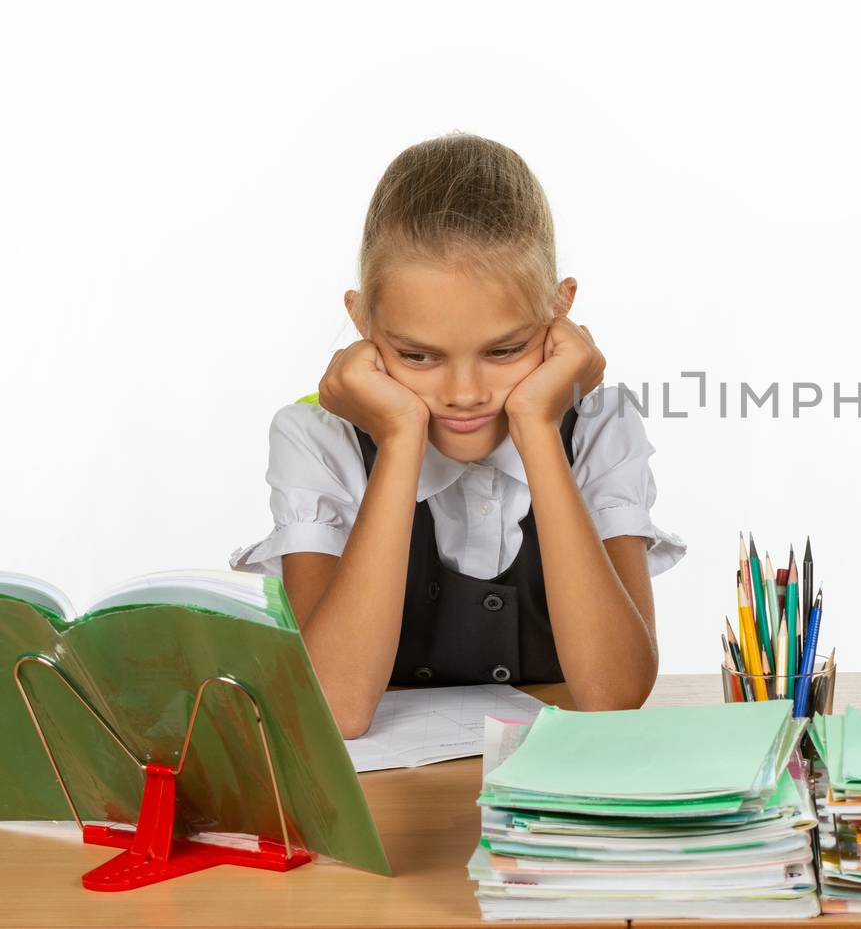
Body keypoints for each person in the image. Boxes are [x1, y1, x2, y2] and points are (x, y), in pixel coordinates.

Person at [233, 133, 683, 735]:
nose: (464, 393)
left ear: (560, 311)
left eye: (505, 349)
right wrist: (398, 437)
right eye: (418, 356)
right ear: (363, 321)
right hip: (388, 805)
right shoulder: (317, 438)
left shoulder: (600, 425)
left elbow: (613, 696)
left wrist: (536, 426)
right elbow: (334, 710)